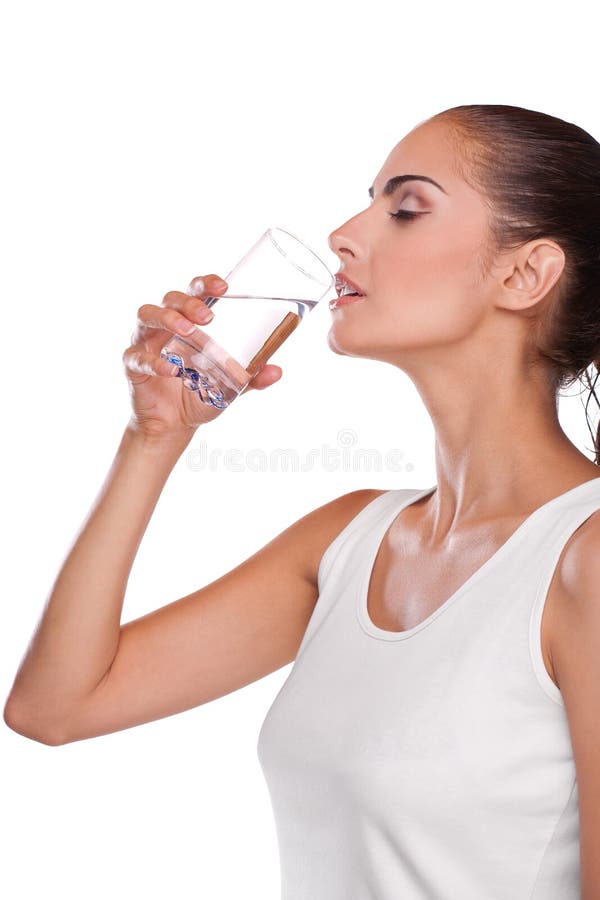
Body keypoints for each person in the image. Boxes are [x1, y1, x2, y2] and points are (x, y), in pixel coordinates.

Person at [4, 103, 600, 899]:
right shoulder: (348, 541)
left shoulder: (584, 564)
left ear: (523, 275)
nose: (346, 235)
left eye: (406, 209)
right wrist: (155, 438)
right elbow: (54, 708)